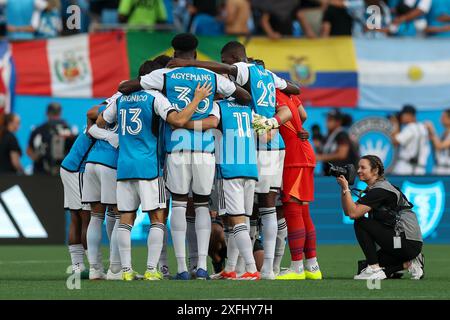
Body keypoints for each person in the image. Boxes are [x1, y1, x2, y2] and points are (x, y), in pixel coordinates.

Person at [119, 33, 251, 280]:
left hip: (176, 149)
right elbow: (244, 96)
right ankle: (201, 267)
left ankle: (181, 268)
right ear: (196, 54)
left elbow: (125, 87)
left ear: (173, 53)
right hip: (205, 151)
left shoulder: (164, 75)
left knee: (179, 204)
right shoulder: (209, 76)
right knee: (201, 204)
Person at [168, 40, 299, 280]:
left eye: (225, 62)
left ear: (234, 58)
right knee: (265, 209)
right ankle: (253, 267)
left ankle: (250, 268)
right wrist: (273, 120)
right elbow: (294, 92)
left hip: (250, 152)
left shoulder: (241, 74)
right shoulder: (267, 77)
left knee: (244, 214)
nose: (224, 67)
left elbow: (211, 119)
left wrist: (189, 66)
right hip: (271, 143)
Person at [98, 61, 213, 281]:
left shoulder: (121, 99)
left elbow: (102, 120)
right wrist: (197, 99)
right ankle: (152, 270)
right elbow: (178, 120)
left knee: (126, 219)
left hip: (124, 167)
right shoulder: (155, 98)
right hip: (149, 167)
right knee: (157, 218)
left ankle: (126, 271)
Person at [337, 154, 424, 280]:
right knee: (362, 267)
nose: (358, 171)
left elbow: (353, 214)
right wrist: (343, 189)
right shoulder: (376, 189)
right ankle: (408, 263)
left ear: (375, 170)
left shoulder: (381, 190)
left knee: (360, 222)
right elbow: (348, 210)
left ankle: (374, 268)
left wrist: (346, 188)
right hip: (404, 243)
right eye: (358, 167)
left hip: (405, 241)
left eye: (363, 167)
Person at [274, 91, 322, 280]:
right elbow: (303, 115)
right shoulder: (287, 93)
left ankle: (297, 267)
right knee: (303, 211)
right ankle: (312, 266)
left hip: (295, 157)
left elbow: (291, 114)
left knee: (293, 209)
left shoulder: (272, 93)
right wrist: (297, 127)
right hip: (303, 153)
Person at [83, 95, 121, 280]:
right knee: (122, 215)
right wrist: (113, 137)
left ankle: (95, 269)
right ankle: (115, 269)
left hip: (92, 162)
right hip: (111, 164)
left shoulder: (113, 102)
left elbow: (91, 124)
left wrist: (105, 134)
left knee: (96, 217)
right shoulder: (137, 101)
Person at [60, 118, 96, 275]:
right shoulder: (102, 124)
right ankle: (95, 266)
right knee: (85, 217)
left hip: (69, 167)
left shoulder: (94, 123)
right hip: (77, 170)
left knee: (76, 217)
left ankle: (78, 266)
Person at [27, 102, 74, 175]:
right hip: (61, 171)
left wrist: (38, 158)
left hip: (42, 172)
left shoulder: (38, 129)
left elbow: (29, 150)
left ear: (47, 113)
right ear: (60, 113)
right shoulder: (67, 129)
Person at [316, 108, 359, 174]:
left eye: (330, 119)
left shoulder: (342, 134)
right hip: (330, 174)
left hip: (344, 174)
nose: (327, 121)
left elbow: (342, 154)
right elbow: (323, 152)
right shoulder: (328, 136)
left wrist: (320, 157)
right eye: (327, 119)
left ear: (338, 122)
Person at [390, 105, 430, 175]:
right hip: (420, 169)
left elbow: (395, 142)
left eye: (403, 115)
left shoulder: (409, 128)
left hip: (406, 168)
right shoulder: (423, 127)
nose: (401, 118)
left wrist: (395, 124)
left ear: (409, 115)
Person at [425, 109, 450, 175]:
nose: (441, 119)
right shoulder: (443, 134)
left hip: (447, 170)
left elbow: (439, 146)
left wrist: (432, 129)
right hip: (438, 168)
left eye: (443, 117)